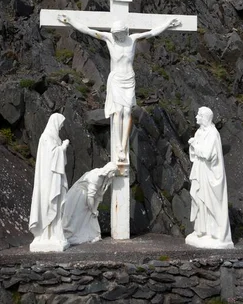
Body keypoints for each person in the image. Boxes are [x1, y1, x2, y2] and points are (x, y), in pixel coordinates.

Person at [58, 14, 180, 163]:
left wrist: (167, 24)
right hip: (116, 80)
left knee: (127, 111)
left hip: (129, 80)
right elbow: (87, 30)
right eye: (115, 34)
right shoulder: (109, 39)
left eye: (120, 34)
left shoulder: (133, 40)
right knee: (117, 113)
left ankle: (123, 145)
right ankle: (118, 147)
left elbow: (152, 32)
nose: (117, 37)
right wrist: (70, 21)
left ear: (125, 32)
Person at [185, 107, 234, 249]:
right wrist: (194, 145)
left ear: (205, 118)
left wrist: (194, 143)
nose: (196, 117)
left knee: (211, 201)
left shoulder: (213, 134)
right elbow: (195, 155)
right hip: (200, 170)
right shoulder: (199, 132)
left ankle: (216, 233)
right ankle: (201, 230)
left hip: (210, 174)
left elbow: (206, 154)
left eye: (199, 115)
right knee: (200, 200)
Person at [28, 113, 70, 252]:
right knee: (48, 203)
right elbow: (51, 157)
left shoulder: (54, 138)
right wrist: (63, 147)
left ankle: (55, 234)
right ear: (55, 123)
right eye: (61, 124)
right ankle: (45, 234)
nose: (61, 127)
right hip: (48, 178)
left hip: (56, 177)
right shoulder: (46, 137)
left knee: (57, 206)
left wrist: (61, 147)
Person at [62, 162, 118, 245]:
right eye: (113, 172)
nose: (113, 175)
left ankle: (90, 233)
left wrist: (94, 209)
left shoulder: (104, 180)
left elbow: (98, 196)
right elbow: (90, 196)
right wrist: (93, 209)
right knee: (75, 217)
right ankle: (71, 234)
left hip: (87, 197)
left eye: (115, 173)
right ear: (108, 170)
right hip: (79, 195)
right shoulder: (96, 177)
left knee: (88, 216)